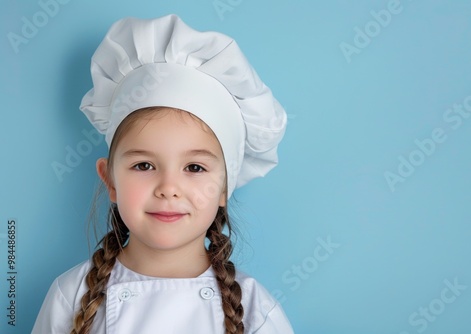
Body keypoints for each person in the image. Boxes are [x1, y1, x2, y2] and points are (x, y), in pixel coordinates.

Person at [32, 14, 292, 334]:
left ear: (226, 185)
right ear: (110, 179)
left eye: (194, 168)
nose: (168, 188)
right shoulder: (70, 296)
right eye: (144, 165)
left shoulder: (256, 310)